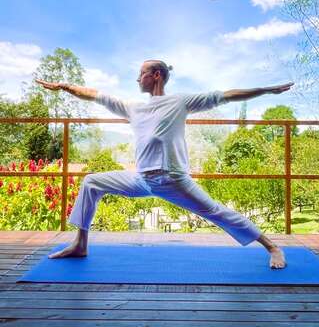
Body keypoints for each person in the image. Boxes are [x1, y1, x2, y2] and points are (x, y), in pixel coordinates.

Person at [36, 60, 293, 268]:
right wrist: (63, 86)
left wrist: (266, 90)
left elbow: (225, 96)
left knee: (217, 212)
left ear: (156, 75)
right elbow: (95, 95)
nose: (138, 78)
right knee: (91, 182)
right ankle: (80, 245)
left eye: (141, 73)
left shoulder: (180, 102)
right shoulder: (133, 107)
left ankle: (272, 247)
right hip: (141, 179)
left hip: (173, 180)